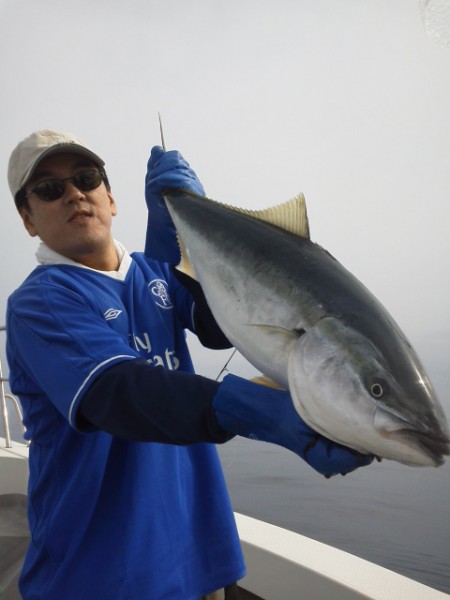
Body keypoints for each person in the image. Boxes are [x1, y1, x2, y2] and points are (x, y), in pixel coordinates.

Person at [5, 129, 373, 600]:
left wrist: (190, 238)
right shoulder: (39, 302)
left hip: (202, 558)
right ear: (28, 219)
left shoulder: (154, 271)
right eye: (49, 188)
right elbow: (116, 392)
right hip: (97, 576)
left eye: (87, 178)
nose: (74, 193)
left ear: (111, 198)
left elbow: (220, 327)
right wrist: (255, 410)